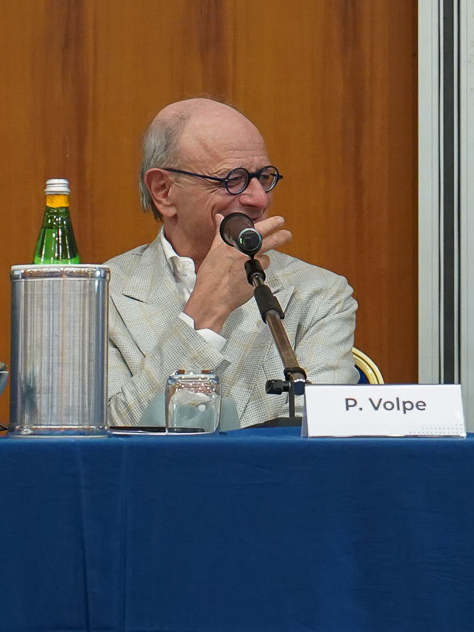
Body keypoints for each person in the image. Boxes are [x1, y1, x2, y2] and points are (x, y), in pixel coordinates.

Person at [105, 99, 356, 429]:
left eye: (263, 177)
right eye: (232, 179)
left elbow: (323, 433)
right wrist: (205, 313)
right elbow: (109, 436)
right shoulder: (99, 297)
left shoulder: (320, 295)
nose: (259, 199)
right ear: (163, 191)